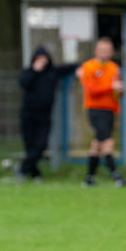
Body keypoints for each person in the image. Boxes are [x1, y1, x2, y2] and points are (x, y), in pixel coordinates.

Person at [18, 45, 80, 180]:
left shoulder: (52, 72)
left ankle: (22, 168)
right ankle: (34, 173)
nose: (42, 61)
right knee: (30, 146)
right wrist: (35, 71)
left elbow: (70, 67)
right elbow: (23, 83)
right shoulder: (29, 72)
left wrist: (80, 69)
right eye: (39, 58)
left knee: (41, 145)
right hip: (28, 115)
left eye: (44, 58)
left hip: (44, 116)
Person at [79, 37, 126, 187]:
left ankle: (89, 178)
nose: (105, 53)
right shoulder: (89, 67)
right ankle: (116, 176)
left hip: (110, 110)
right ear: (96, 51)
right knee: (107, 142)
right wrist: (110, 87)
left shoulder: (113, 68)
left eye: (108, 51)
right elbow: (91, 90)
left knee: (97, 144)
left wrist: (120, 90)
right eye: (102, 50)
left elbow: (117, 91)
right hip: (95, 109)